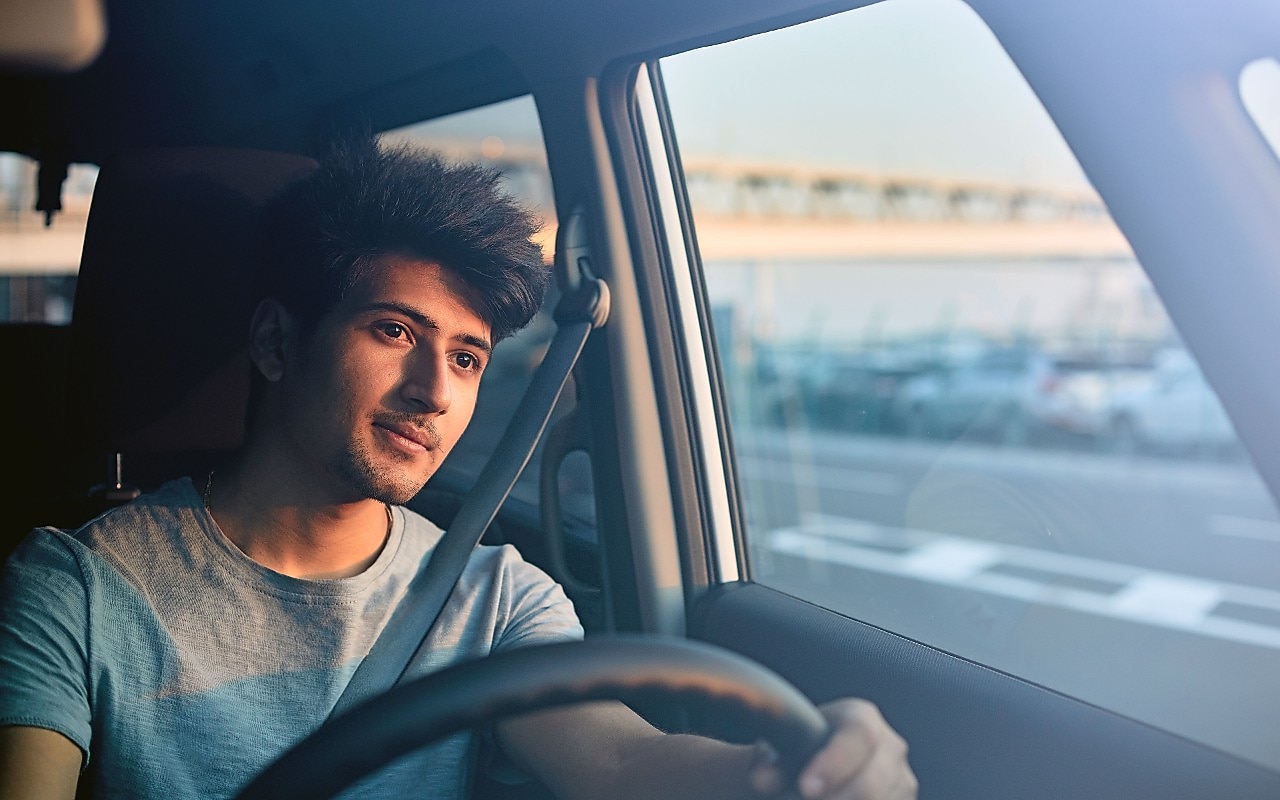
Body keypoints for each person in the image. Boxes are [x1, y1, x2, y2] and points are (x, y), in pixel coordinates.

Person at [0, 138, 916, 800]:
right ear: (279, 342)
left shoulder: (499, 598)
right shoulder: (75, 589)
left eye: (469, 357)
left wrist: (779, 772)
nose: (435, 390)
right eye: (394, 331)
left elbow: (619, 761)